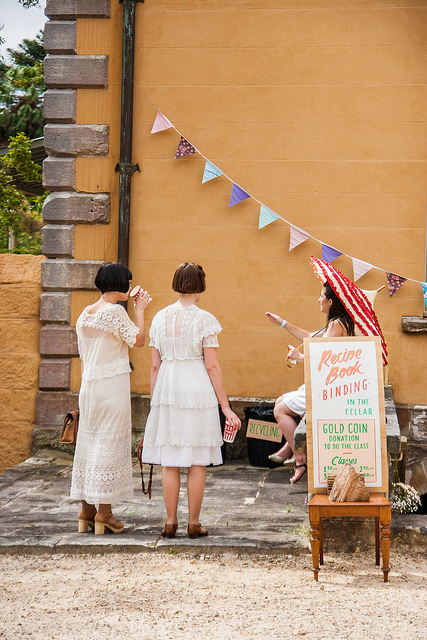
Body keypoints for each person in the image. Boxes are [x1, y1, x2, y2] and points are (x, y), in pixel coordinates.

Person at [142, 262, 241, 539]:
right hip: (196, 388)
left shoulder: (158, 317)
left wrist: (155, 403)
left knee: (169, 461)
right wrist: (225, 406)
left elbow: (154, 366)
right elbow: (212, 366)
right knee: (197, 460)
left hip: (167, 389)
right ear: (200, 285)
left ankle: (170, 522)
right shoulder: (205, 319)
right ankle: (194, 523)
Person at [70, 262, 152, 534]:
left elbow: (84, 354)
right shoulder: (115, 312)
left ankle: (86, 511)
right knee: (108, 443)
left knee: (90, 442)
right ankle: (105, 513)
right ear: (118, 283)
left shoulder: (85, 313)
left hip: (89, 387)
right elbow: (138, 340)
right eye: (128, 282)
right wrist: (139, 311)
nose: (130, 286)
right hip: (112, 385)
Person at [266, 280, 355, 484]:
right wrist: (281, 322)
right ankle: (291, 446)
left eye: (321, 296)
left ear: (330, 301)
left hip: (328, 391)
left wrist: (299, 357)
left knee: (279, 410)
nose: (318, 299)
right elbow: (310, 337)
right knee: (280, 401)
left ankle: (300, 459)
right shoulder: (339, 322)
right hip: (326, 387)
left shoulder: (336, 324)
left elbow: (327, 357)